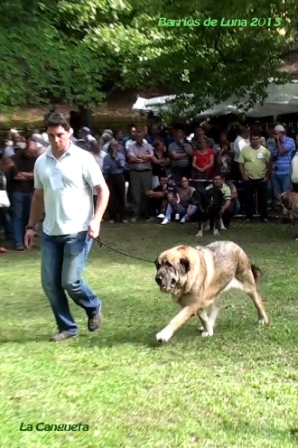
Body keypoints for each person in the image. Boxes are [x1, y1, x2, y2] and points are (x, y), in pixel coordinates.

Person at [24, 113, 110, 342]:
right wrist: (30, 226)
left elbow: (103, 191)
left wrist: (96, 220)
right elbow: (38, 197)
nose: (56, 140)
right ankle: (67, 327)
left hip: (79, 230)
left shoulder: (83, 158)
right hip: (51, 232)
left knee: (70, 281)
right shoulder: (41, 162)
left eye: (60, 135)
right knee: (50, 284)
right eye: (51, 136)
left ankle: (93, 305)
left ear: (69, 132)